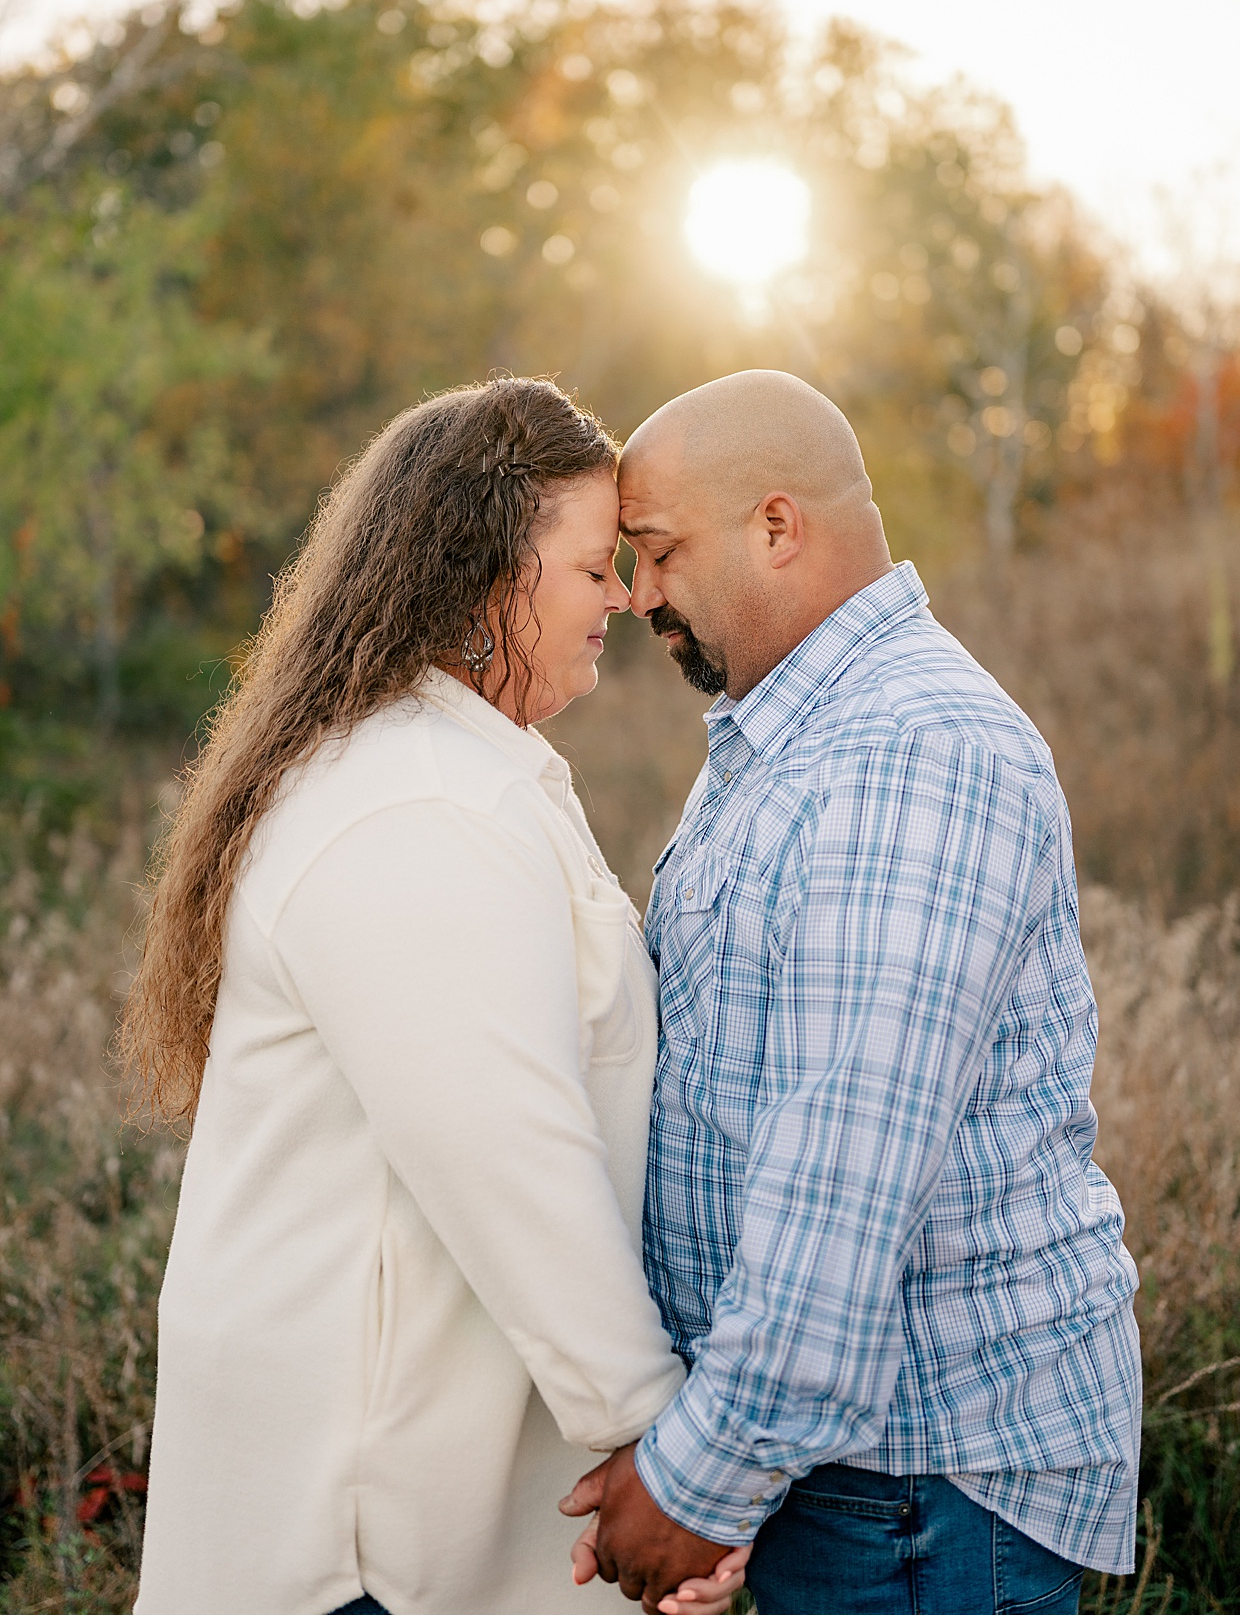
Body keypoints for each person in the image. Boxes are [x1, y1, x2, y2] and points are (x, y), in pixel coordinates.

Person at [127, 378, 745, 1615]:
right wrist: (657, 1440)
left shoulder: (451, 771)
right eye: (589, 567)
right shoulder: (416, 803)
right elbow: (504, 1145)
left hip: (417, 1501)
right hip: (367, 1540)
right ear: (487, 580)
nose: (623, 596)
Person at [560, 369, 1143, 1615]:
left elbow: (842, 1178)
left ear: (777, 527)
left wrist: (696, 1482)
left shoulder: (908, 753)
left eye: (656, 551)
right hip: (837, 1468)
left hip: (919, 1482)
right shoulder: (787, 734)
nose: (639, 591)